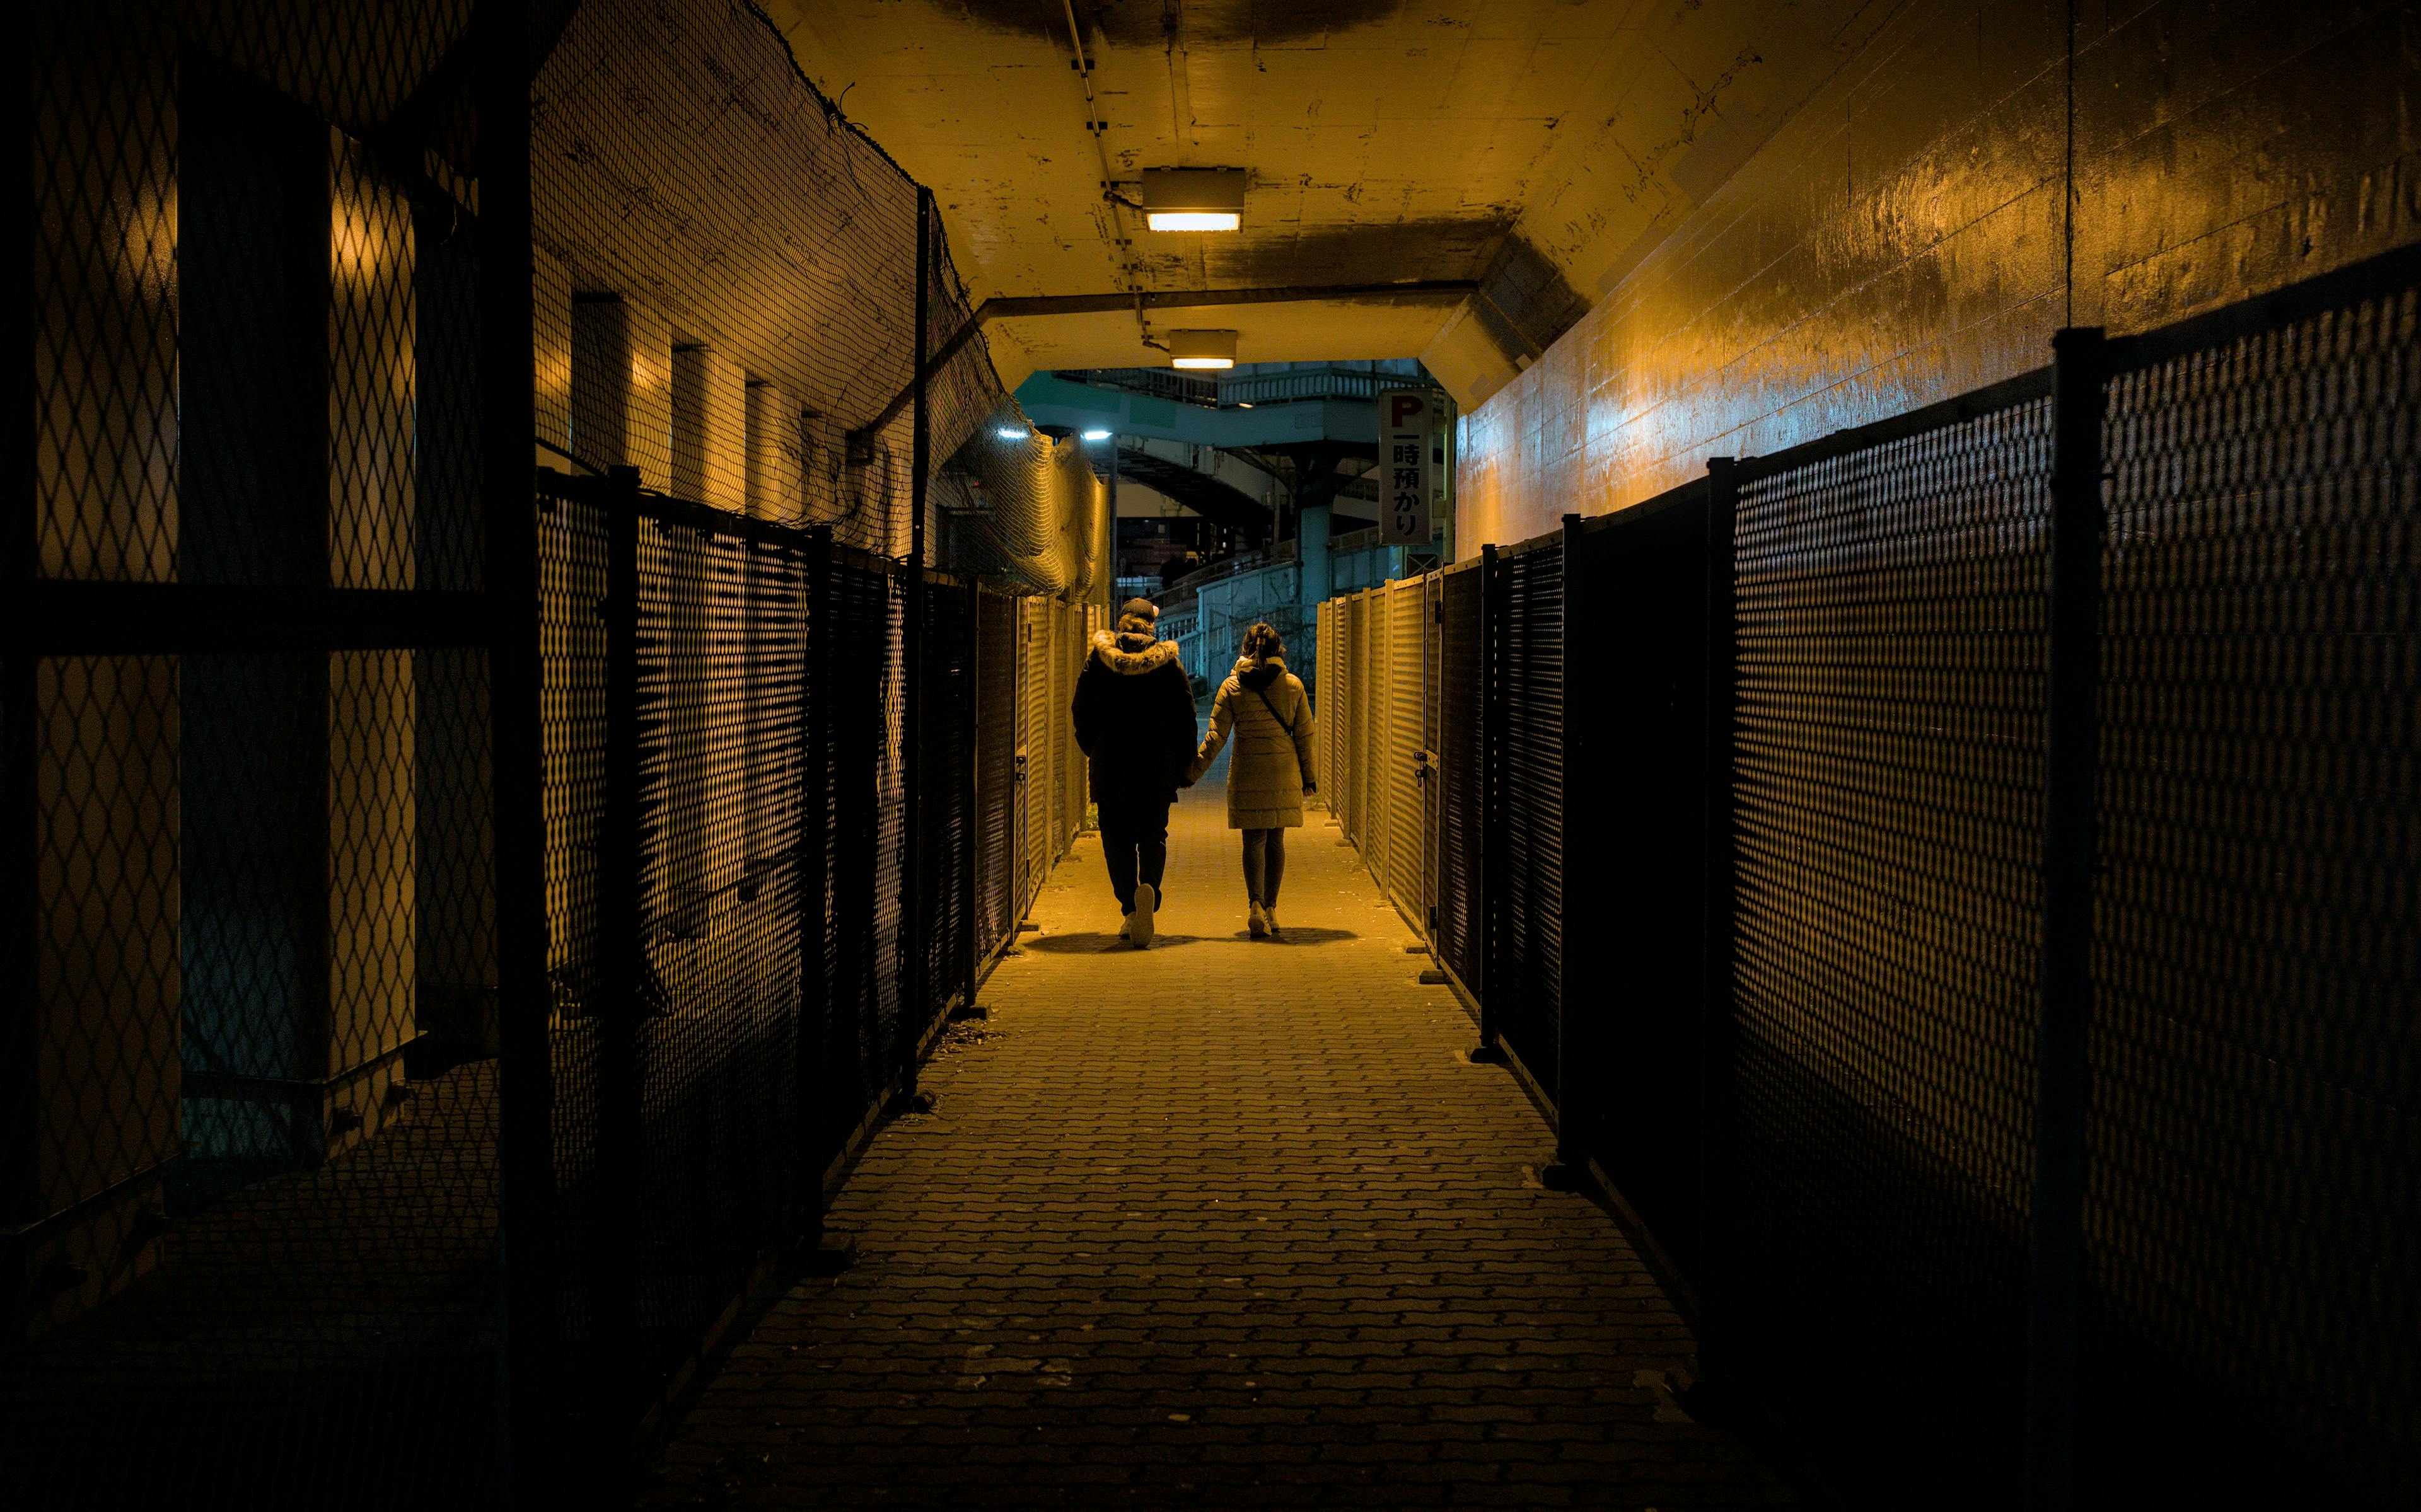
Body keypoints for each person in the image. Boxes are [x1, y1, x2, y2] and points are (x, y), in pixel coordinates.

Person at [1071, 598, 1197, 947]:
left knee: (1117, 840)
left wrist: (1092, 748)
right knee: (1153, 834)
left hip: (1111, 767)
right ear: (1149, 627)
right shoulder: (1167, 663)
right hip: (1156, 769)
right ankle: (1149, 891)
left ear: (1122, 624)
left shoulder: (1098, 660)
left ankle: (1129, 907)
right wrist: (1184, 764)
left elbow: (1080, 708)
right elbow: (1186, 714)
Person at [1189, 622, 1316, 938]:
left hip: (1247, 770)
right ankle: (1272, 907)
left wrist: (1193, 772)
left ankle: (1256, 904)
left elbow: (1217, 736)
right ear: (1278, 649)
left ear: (1245, 648)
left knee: (1254, 841)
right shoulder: (1293, 686)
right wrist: (1309, 778)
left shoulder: (1232, 687)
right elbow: (1304, 736)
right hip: (1283, 770)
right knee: (1276, 840)